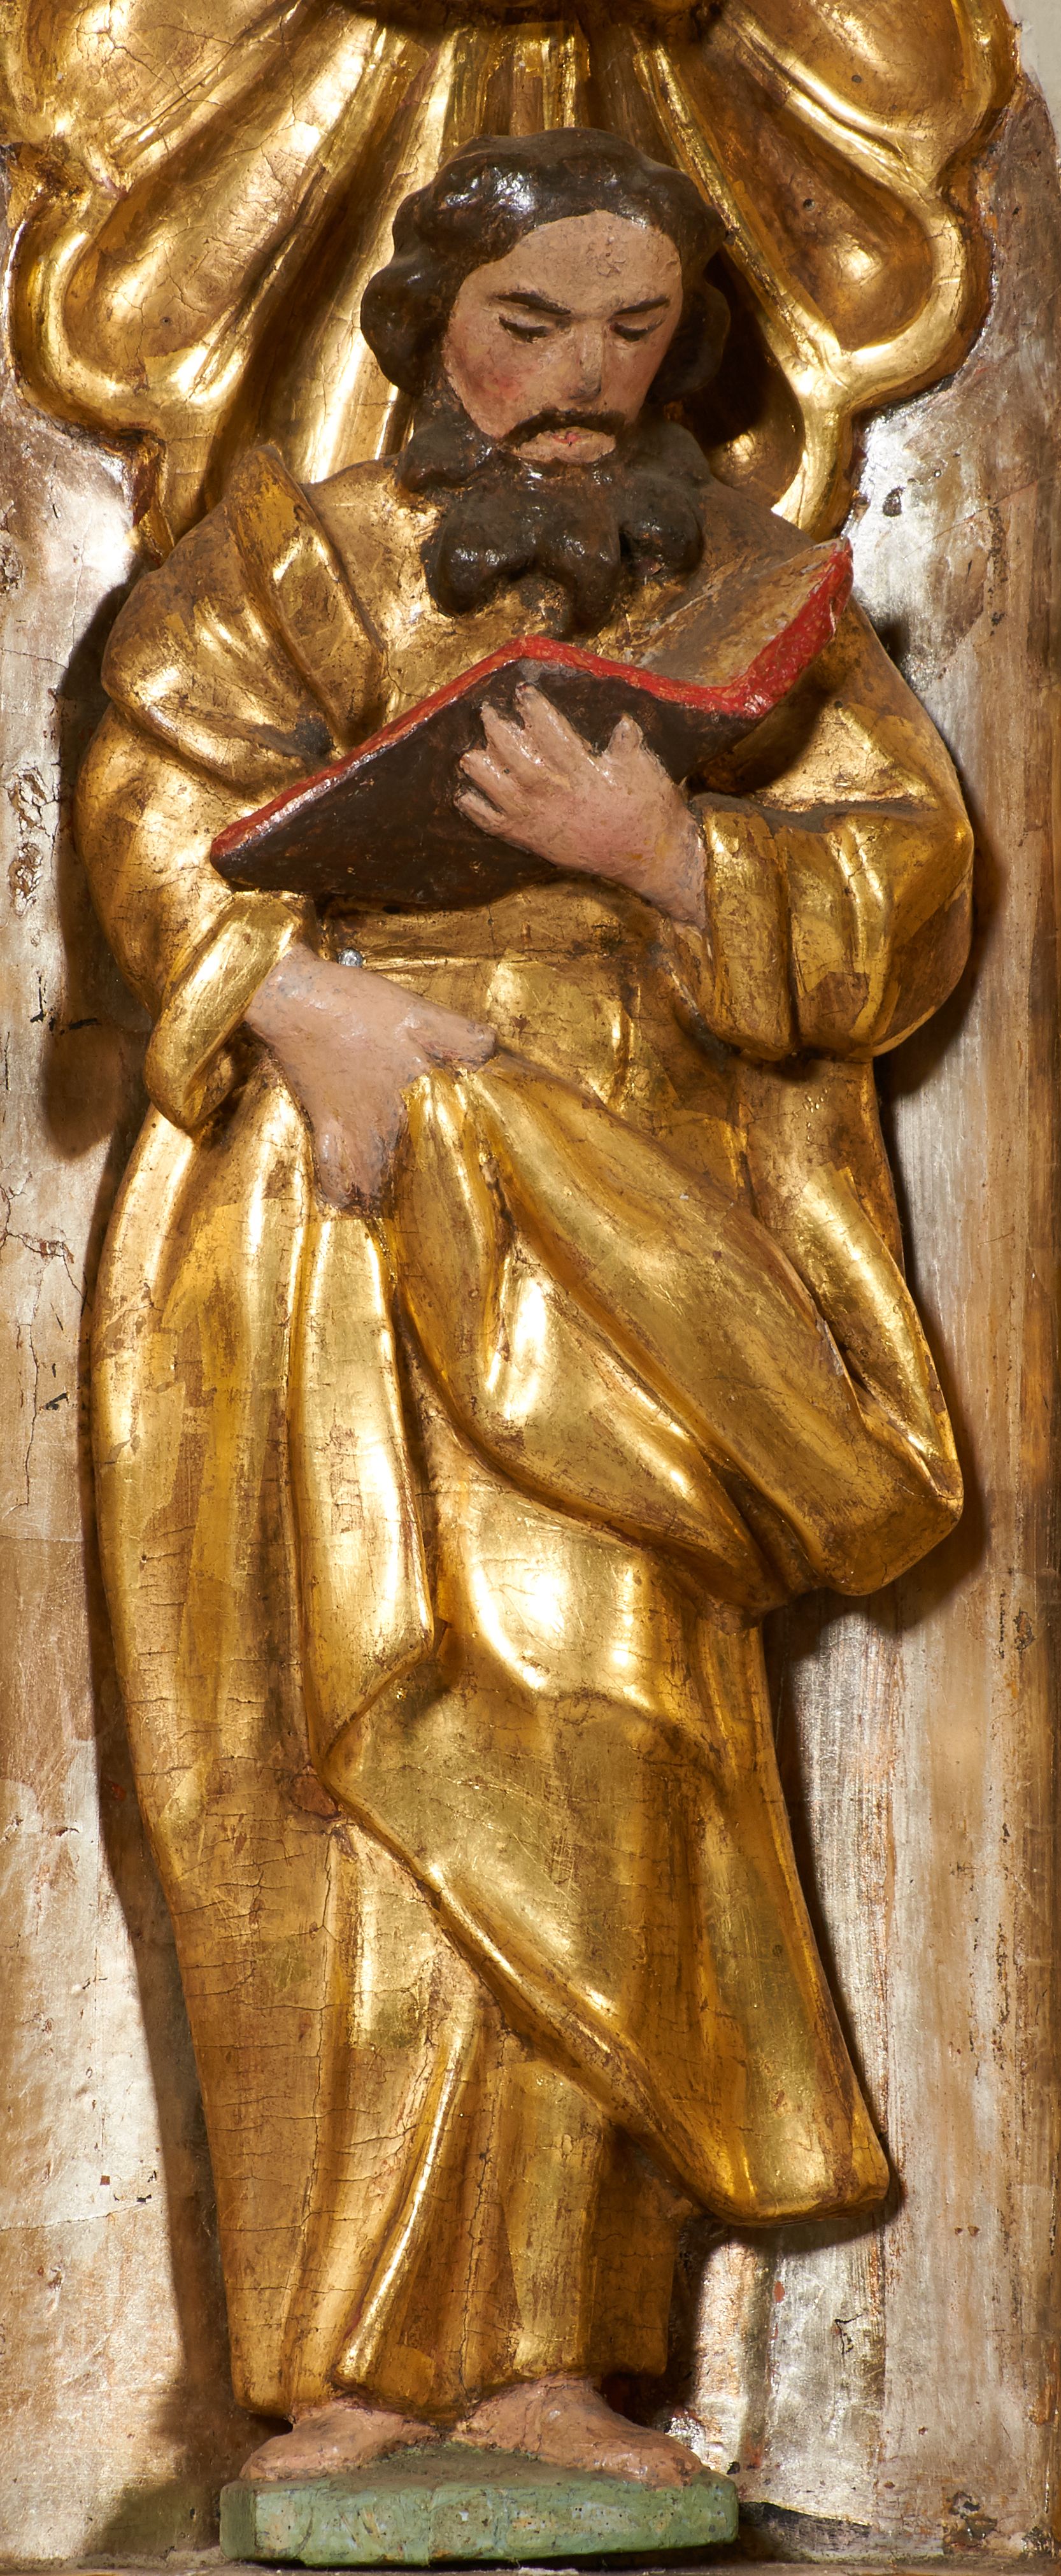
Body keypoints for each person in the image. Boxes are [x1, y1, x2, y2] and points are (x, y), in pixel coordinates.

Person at [76, 129, 971, 2488]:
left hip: (635, 1234)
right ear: (427, 333)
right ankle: (347, 2375)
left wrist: (666, 854)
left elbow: (905, 884)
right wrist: (299, 1001)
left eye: (632, 332)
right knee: (339, 1756)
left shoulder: (756, 591)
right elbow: (145, 824)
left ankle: (563, 2360)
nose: (579, 381)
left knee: (599, 1739)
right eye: (526, 328)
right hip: (337, 1196)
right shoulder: (285, 566)